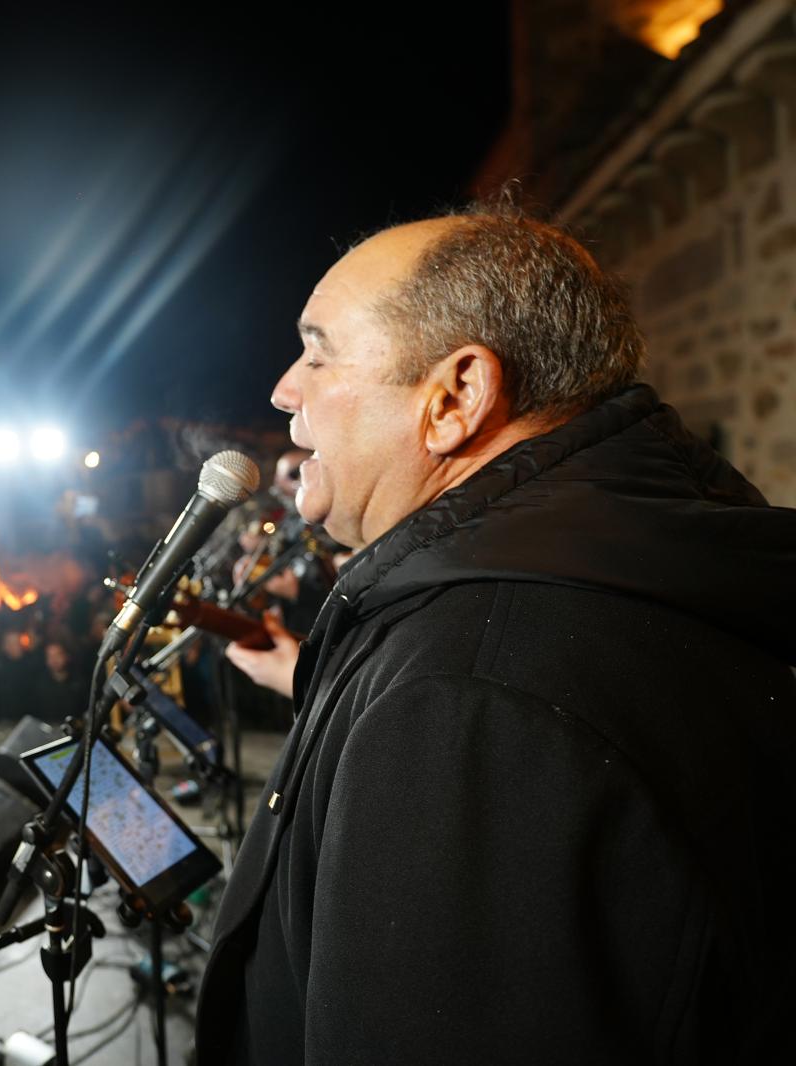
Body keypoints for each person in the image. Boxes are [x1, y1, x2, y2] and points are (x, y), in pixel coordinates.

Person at [197, 204, 796, 1064]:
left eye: (318, 351)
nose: (285, 389)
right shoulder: (576, 588)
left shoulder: (469, 705)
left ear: (455, 397)